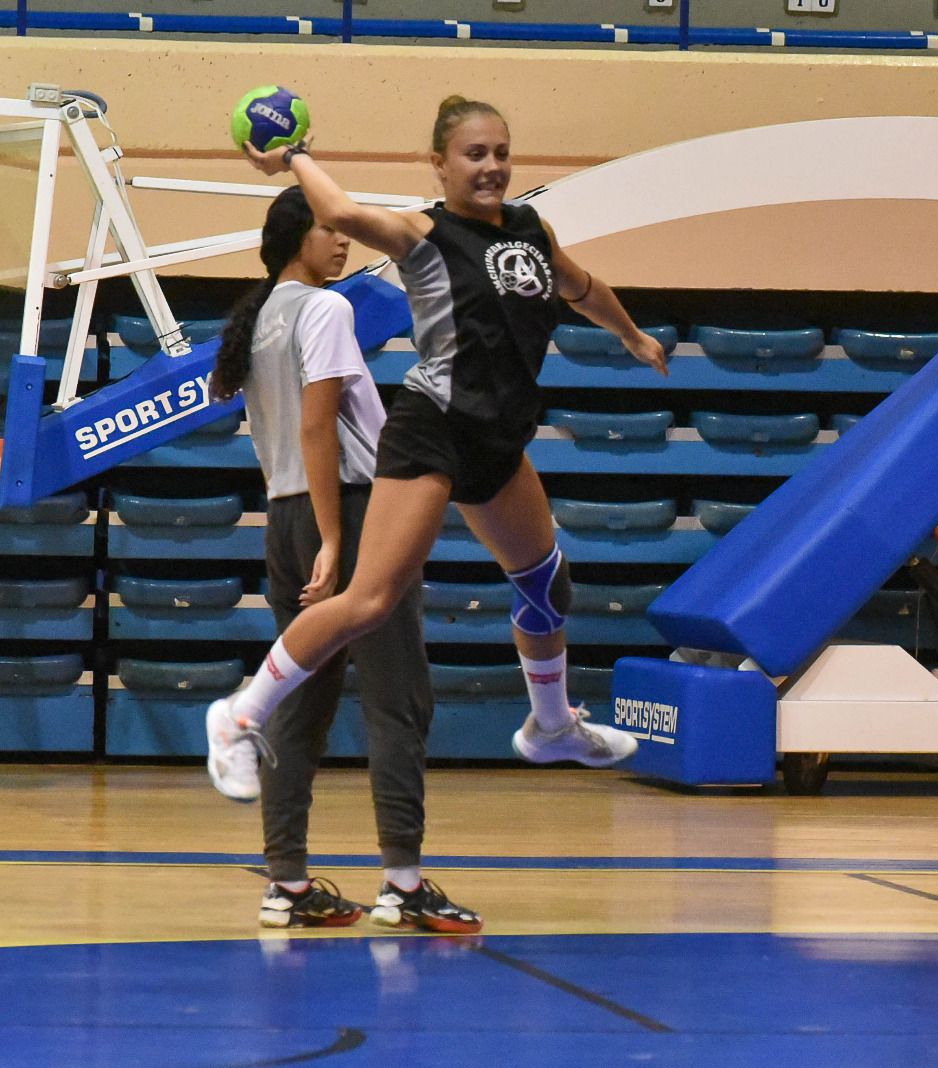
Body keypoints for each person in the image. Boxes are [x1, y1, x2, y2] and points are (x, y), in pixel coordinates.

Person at [207, 94, 667, 928]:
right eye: (473, 155)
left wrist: (632, 336)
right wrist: (296, 154)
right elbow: (341, 210)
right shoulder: (423, 235)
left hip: (500, 438)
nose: (490, 167)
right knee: (370, 601)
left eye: (500, 151)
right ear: (440, 165)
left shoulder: (528, 230)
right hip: (434, 431)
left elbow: (582, 287)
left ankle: (553, 726)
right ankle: (238, 714)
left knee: (546, 583)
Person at [210, 186, 477, 932]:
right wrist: (336, 536)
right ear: (297, 235)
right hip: (348, 513)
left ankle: (287, 884)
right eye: (329, 229)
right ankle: (403, 883)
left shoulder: (260, 317)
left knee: (300, 703)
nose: (344, 241)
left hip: (283, 517)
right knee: (399, 697)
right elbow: (319, 424)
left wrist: (311, 531)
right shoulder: (327, 309)